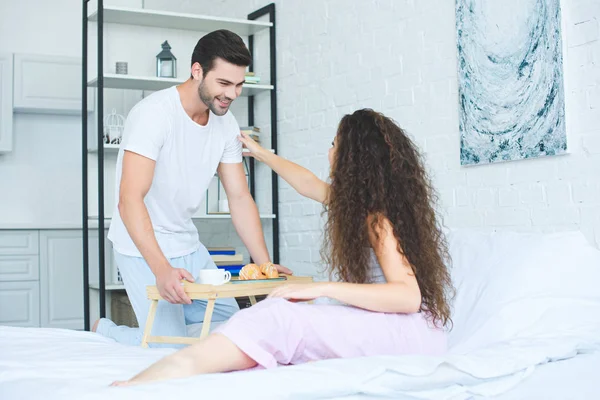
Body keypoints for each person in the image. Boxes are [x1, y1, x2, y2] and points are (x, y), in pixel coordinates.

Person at [111, 108, 454, 385]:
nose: (331, 151)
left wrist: (322, 288)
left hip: (406, 334)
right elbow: (307, 183)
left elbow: (408, 297)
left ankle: (145, 382)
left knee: (280, 317)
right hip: (396, 329)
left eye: (336, 144)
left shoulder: (379, 221)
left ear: (354, 158)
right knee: (277, 318)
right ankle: (157, 374)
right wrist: (262, 154)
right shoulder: (358, 207)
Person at [94, 29, 292, 347]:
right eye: (224, 84)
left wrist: (264, 265)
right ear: (196, 70)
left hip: (189, 246)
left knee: (232, 336)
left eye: (239, 85)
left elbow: (239, 197)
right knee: (168, 348)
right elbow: (129, 200)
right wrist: (162, 270)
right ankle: (107, 331)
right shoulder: (154, 115)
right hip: (141, 249)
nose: (233, 94)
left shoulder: (225, 125)